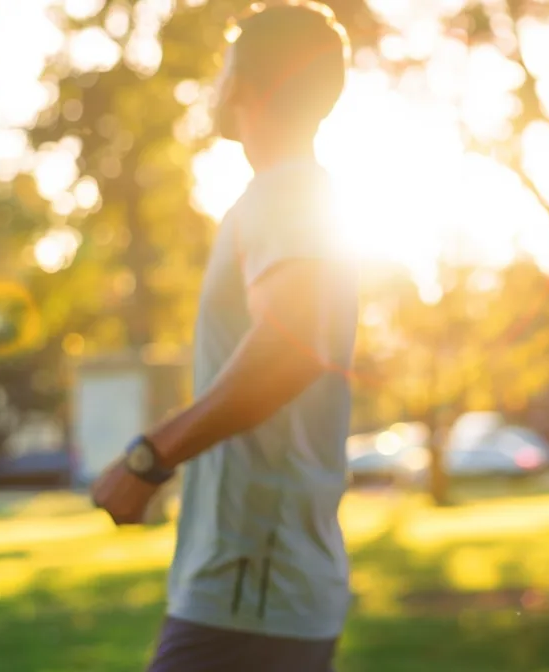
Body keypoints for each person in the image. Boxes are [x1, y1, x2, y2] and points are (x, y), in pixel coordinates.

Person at [88, 3, 357, 670]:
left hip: (251, 582)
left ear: (248, 83)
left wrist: (149, 458)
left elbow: (289, 350)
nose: (216, 82)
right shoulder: (297, 198)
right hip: (263, 581)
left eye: (225, 64)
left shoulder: (285, 194)